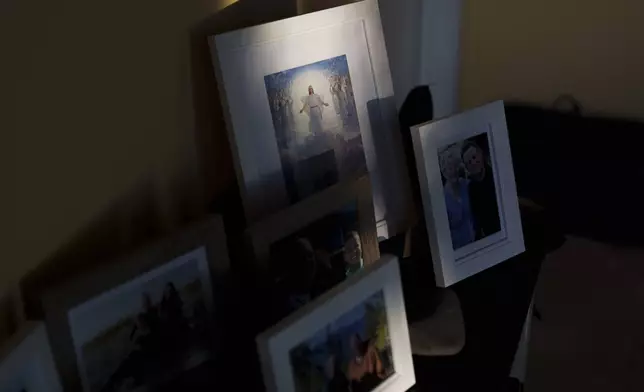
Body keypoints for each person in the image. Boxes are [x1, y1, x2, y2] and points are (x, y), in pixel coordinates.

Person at [462, 141, 501, 239]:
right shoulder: (471, 189)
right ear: (467, 168)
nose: (473, 163)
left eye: (474, 157)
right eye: (469, 162)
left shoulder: (497, 175)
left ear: (481, 154)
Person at [439, 146, 475, 249]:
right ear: (443, 171)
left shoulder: (467, 185)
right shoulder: (442, 199)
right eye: (449, 168)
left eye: (454, 167)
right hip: (459, 250)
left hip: (478, 242)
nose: (452, 172)